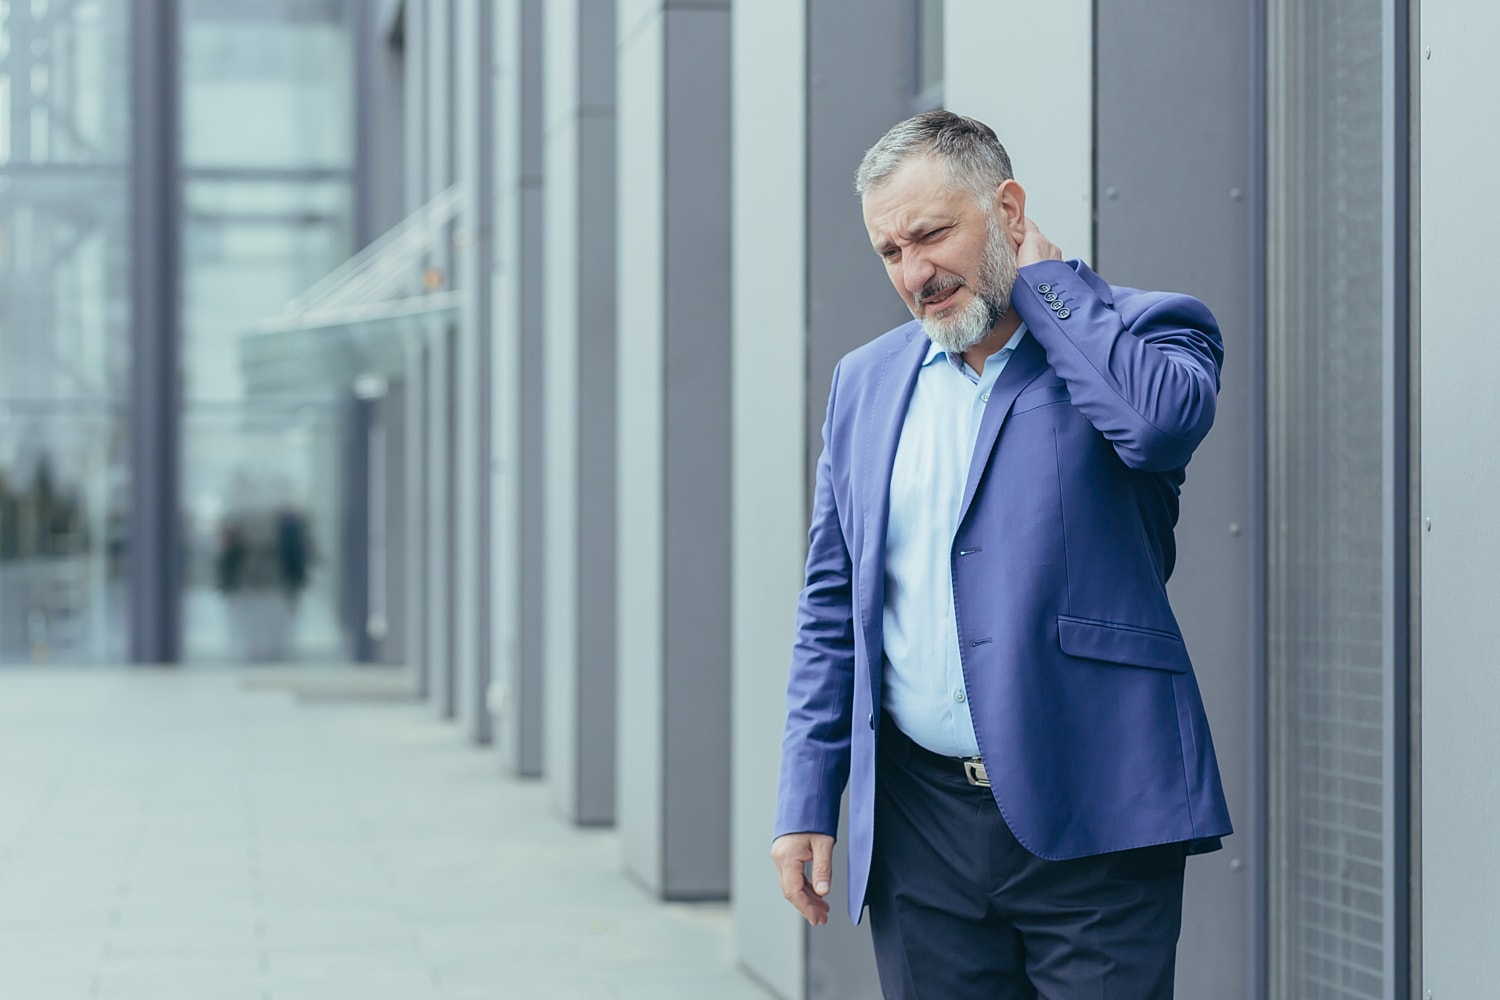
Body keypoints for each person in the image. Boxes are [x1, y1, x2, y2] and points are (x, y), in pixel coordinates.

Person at [771, 111, 1233, 998]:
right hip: (919, 827)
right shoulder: (865, 383)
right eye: (891, 252)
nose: (915, 273)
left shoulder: (1137, 333)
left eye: (933, 234)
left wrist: (1051, 287)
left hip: (1095, 811)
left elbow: (1157, 425)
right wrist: (806, 798)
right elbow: (831, 604)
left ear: (1008, 210)